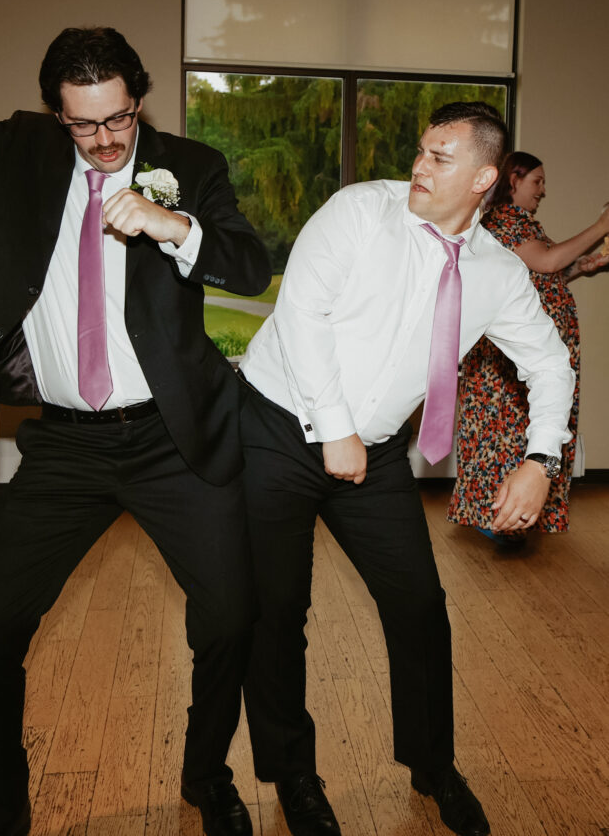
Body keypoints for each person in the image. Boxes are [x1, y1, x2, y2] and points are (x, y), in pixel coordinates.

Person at [0, 0, 271, 836]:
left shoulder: (191, 166)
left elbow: (250, 269)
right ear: (59, 111)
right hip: (66, 449)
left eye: (119, 118)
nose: (103, 141)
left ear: (140, 98)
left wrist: (176, 227)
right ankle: (1, 803)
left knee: (229, 620)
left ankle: (206, 775)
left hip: (177, 438)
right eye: (82, 123)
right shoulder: (19, 151)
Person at [237, 103, 575, 836]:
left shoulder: (497, 272)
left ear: (485, 177)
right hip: (273, 430)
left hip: (375, 453)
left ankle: (433, 766)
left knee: (419, 608)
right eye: (422, 150)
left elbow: (549, 362)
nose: (420, 165)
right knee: (278, 612)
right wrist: (334, 430)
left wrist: (540, 460)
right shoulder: (361, 211)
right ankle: (293, 775)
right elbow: (300, 314)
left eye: (441, 157)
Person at [451, 151, 609, 545]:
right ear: (513, 179)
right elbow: (549, 261)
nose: (543, 190)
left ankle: (515, 513)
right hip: (511, 356)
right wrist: (601, 226)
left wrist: (582, 268)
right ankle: (501, 515)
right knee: (503, 436)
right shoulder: (503, 220)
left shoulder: (525, 223)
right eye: (536, 181)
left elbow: (546, 276)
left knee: (522, 433)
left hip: (533, 350)